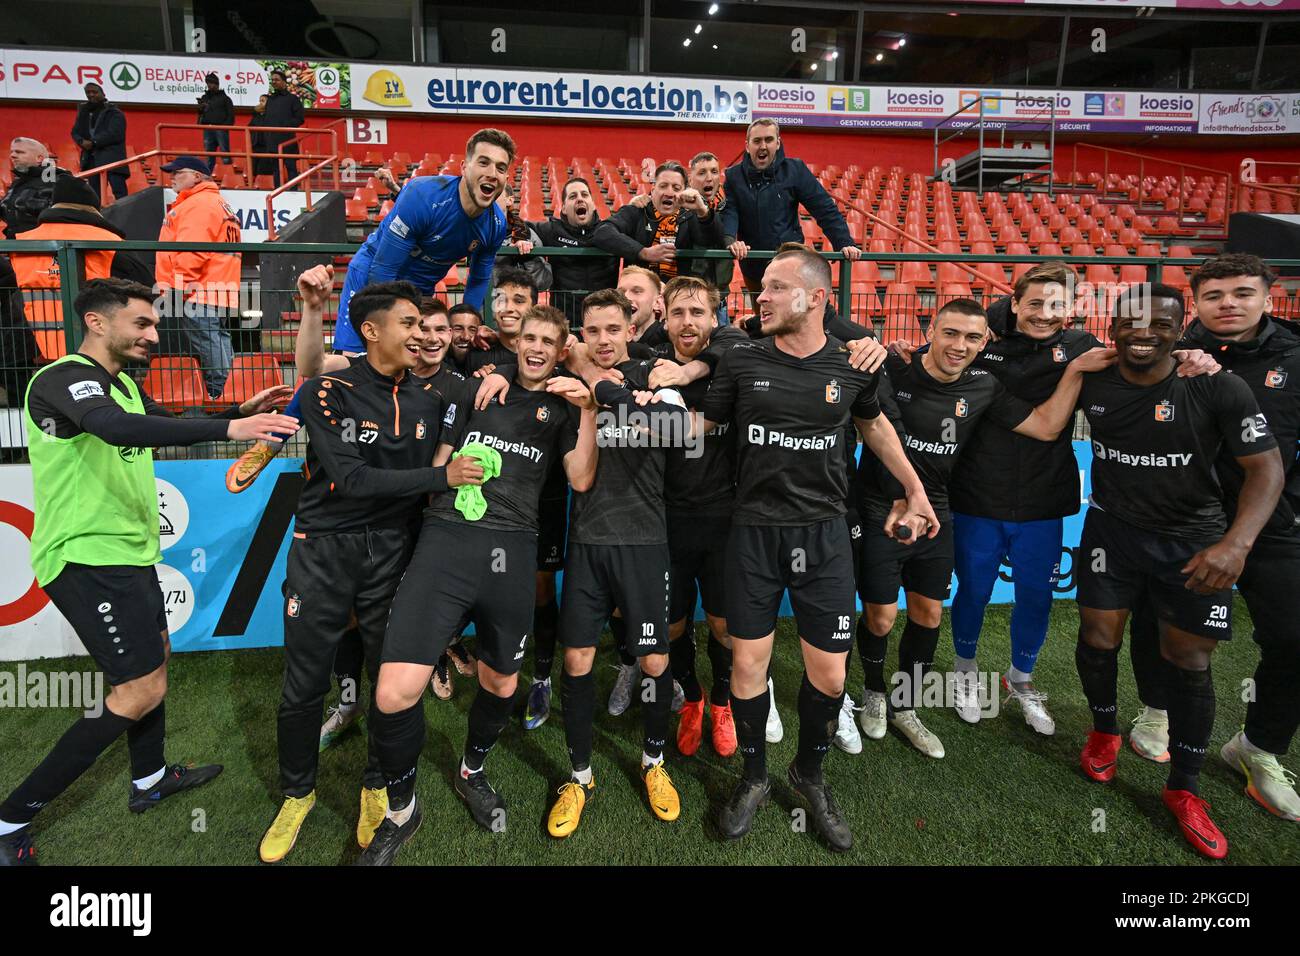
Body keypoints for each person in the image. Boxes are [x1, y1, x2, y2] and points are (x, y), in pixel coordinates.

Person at [0, 277, 297, 866]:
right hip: (85, 559)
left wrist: (233, 409)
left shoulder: (122, 388)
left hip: (130, 555)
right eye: (141, 323)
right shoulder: (62, 380)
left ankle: (149, 778)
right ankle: (11, 818)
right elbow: (117, 429)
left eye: (155, 324)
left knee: (156, 659)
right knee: (138, 691)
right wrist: (231, 430)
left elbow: (157, 417)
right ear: (97, 322)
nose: (154, 335)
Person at [698, 246, 933, 852]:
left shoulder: (855, 363)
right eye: (761, 288)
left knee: (829, 674)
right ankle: (753, 777)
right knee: (747, 666)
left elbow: (874, 425)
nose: (762, 297)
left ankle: (809, 772)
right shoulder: (741, 359)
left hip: (825, 535)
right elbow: (703, 428)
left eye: (776, 287)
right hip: (751, 532)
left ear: (817, 297)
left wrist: (914, 489)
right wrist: (629, 410)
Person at [362, 305, 599, 862]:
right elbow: (440, 461)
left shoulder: (564, 409)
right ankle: (402, 809)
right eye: (529, 337)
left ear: (561, 349)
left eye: (548, 340)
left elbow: (582, 477)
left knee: (501, 685)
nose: (536, 348)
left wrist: (588, 411)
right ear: (516, 341)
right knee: (393, 692)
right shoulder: (477, 390)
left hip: (512, 552)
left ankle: (472, 771)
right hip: (445, 541)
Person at [257, 281, 470, 864]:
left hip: (393, 553)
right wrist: (439, 480)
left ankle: (378, 783)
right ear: (372, 332)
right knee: (304, 685)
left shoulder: (432, 399)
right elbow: (350, 481)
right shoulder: (331, 390)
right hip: (323, 549)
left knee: (389, 681)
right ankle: (297, 794)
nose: (421, 334)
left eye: (425, 325)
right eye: (408, 323)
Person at [1073, 283, 1283, 860]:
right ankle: (1105, 731)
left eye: (1160, 325)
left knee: (1189, 659)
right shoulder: (1091, 374)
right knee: (1097, 637)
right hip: (1111, 532)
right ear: (1111, 325)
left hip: (1193, 544)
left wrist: (1236, 545)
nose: (1145, 333)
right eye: (1132, 323)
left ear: (1180, 329)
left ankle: (1184, 788)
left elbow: (1266, 470)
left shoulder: (1215, 383)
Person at [855, 299, 1107, 758]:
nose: (959, 346)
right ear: (930, 328)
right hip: (881, 509)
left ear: (985, 341)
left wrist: (1074, 372)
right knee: (881, 617)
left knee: (928, 615)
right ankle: (873, 692)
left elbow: (1048, 427)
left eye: (972, 338)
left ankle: (905, 706)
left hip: (938, 513)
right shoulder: (894, 367)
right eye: (950, 333)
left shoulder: (984, 386)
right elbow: (874, 428)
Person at [224, 128, 514, 493]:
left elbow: (479, 278)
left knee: (407, 366)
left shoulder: (495, 224)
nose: (491, 173)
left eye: (501, 168)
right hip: (372, 278)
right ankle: (275, 437)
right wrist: (388, 324)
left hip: (418, 292)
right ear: (465, 164)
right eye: (483, 162)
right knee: (351, 361)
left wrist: (472, 323)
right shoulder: (424, 195)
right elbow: (382, 273)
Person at [1127, 253, 1300, 824]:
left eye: (1243, 293)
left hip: (1274, 528)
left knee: (1292, 640)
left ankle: (1258, 748)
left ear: (1268, 299)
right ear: (1195, 301)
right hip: (1179, 522)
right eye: (1216, 294)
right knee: (1162, 628)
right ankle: (1157, 711)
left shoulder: (1295, 356)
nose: (1229, 303)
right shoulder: (1164, 348)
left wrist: (1246, 537)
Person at [545, 288, 690, 838]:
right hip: (587, 543)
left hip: (646, 544)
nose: (603, 340)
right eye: (593, 331)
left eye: (613, 329)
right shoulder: (573, 391)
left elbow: (680, 437)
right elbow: (579, 477)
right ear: (582, 336)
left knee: (654, 663)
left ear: (631, 330)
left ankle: (654, 763)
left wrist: (616, 397)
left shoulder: (659, 378)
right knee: (579, 660)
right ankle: (579, 776)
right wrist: (588, 404)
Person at [657, 276, 743, 757]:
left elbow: (738, 341)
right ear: (664, 319)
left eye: (697, 312)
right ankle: (692, 698)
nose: (687, 322)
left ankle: (724, 703)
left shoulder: (732, 359)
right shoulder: (648, 364)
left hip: (724, 521)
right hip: (667, 521)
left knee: (725, 626)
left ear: (714, 318)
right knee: (671, 626)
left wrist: (689, 375)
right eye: (678, 313)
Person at [11, 176, 153, 370]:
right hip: (100, 349)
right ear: (93, 207)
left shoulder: (21, 243)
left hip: (38, 351)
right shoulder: (110, 242)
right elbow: (147, 286)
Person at [719, 119, 859, 296]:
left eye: (768, 140)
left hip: (791, 264)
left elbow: (824, 208)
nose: (763, 146)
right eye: (757, 141)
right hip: (754, 267)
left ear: (778, 143)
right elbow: (730, 213)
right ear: (747, 146)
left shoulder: (795, 170)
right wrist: (729, 241)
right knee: (765, 320)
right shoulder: (733, 176)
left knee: (796, 316)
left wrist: (844, 242)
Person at [155, 156, 241, 401]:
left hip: (199, 289)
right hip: (218, 287)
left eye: (177, 172)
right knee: (218, 341)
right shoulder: (217, 202)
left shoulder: (198, 204)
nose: (171, 177)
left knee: (210, 343)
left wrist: (178, 289)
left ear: (197, 176)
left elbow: (193, 250)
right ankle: (229, 393)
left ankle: (220, 395)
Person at [594, 161, 724, 288]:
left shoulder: (692, 216)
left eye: (676, 188)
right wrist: (642, 252)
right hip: (640, 297)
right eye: (663, 186)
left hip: (678, 297)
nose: (669, 193)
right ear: (653, 188)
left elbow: (714, 240)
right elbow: (602, 232)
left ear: (685, 191)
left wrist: (702, 211)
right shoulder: (636, 211)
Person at [531, 177, 619, 327]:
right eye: (573, 196)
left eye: (585, 195)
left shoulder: (609, 231)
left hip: (603, 323)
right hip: (564, 324)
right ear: (564, 208)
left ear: (593, 204)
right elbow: (523, 226)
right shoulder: (552, 230)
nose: (579, 199)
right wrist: (522, 237)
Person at [685, 151, 733, 324]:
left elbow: (727, 236)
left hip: (720, 298)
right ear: (690, 180)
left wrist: (734, 243)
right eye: (702, 172)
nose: (709, 178)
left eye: (714, 171)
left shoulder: (729, 207)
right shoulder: (681, 208)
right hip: (690, 298)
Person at [1, 137, 74, 240]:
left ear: (39, 158)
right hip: (17, 248)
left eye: (19, 152)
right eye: (12, 152)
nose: (12, 155)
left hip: (46, 248)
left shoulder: (59, 181)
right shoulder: (18, 183)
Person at [71, 83, 128, 202]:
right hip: (91, 160)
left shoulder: (114, 112)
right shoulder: (83, 113)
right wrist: (81, 141)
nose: (91, 95)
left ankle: (126, 216)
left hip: (112, 159)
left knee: (120, 193)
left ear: (103, 94)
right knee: (95, 195)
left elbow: (116, 134)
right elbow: (75, 132)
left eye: (94, 92)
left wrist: (94, 142)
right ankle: (98, 217)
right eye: (88, 93)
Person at [497, 182, 552, 292]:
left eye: (497, 192)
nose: (490, 196)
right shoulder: (476, 232)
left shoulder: (528, 234)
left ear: (510, 200)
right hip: (488, 306)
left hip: (520, 304)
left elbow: (542, 283)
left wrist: (527, 257)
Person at [262, 70, 304, 188]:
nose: (274, 82)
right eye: (273, 80)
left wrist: (284, 125)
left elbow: (300, 119)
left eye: (277, 80)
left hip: (287, 140)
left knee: (291, 167)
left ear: (284, 82)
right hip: (272, 141)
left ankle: (294, 192)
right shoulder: (270, 100)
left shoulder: (293, 99)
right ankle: (278, 193)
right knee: (276, 169)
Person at [197, 73, 235, 174]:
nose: (209, 85)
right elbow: (200, 113)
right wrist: (201, 108)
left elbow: (231, 116)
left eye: (211, 83)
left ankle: (229, 174)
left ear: (217, 84)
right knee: (209, 155)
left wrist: (224, 127)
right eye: (208, 83)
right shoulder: (205, 97)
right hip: (208, 128)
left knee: (225, 153)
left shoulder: (226, 99)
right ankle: (207, 175)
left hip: (220, 129)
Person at [247, 95, 276, 180]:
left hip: (267, 146)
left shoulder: (272, 115)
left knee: (263, 168)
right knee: (254, 169)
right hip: (256, 145)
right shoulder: (256, 116)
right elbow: (250, 127)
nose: (260, 103)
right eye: (260, 101)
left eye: (263, 101)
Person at [448, 303, 482, 374]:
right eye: (458, 329)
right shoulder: (435, 367)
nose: (465, 337)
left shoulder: (490, 362)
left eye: (472, 330)